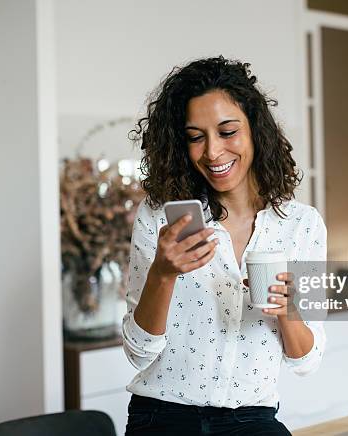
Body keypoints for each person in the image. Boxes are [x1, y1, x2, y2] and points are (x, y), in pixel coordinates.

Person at [123, 56, 327, 435]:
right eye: (196, 137)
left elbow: (306, 360)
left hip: (252, 418)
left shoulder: (302, 225)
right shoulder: (160, 218)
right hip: (163, 416)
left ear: (255, 132)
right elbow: (138, 351)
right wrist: (162, 274)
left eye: (228, 131)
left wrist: (286, 309)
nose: (213, 152)